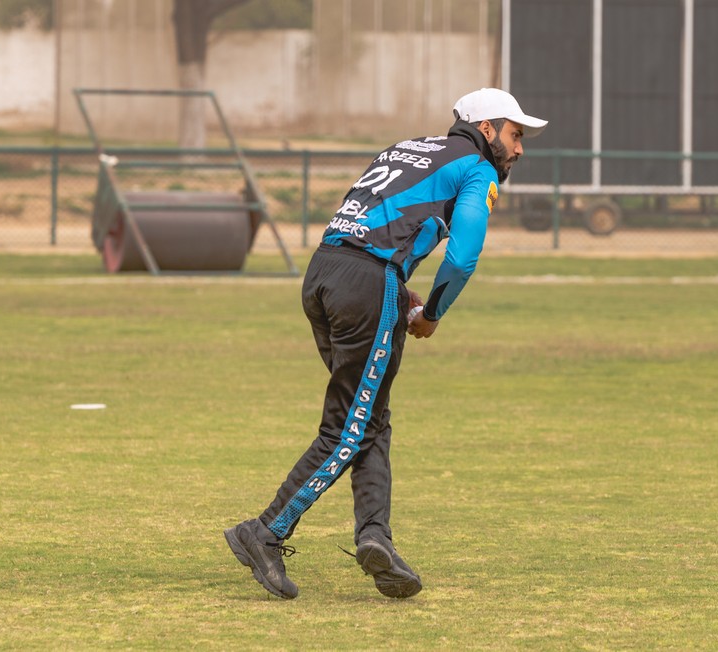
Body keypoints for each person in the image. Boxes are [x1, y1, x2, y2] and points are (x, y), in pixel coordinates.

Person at [224, 88, 547, 600]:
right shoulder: (477, 168)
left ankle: (375, 537)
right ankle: (265, 531)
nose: (520, 148)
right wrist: (431, 313)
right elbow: (462, 257)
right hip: (367, 286)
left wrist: (393, 282)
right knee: (348, 427)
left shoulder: (405, 148)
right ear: (485, 129)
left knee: (368, 416)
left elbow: (372, 223)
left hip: (324, 273)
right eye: (515, 134)